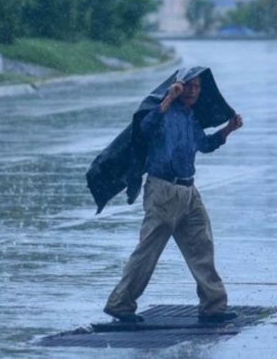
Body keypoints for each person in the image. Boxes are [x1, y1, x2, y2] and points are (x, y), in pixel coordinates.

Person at [96, 68, 243, 323]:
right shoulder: (162, 113)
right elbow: (143, 131)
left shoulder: (190, 116)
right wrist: (167, 100)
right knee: (148, 251)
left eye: (197, 87)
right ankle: (120, 304)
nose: (193, 91)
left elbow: (204, 145)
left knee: (202, 247)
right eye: (188, 86)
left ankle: (213, 306)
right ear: (177, 86)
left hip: (189, 192)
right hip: (163, 192)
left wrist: (228, 130)